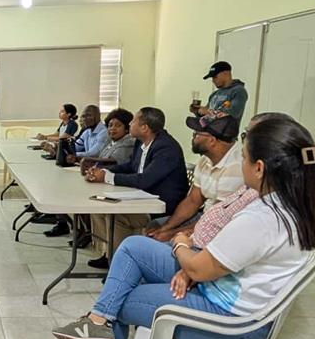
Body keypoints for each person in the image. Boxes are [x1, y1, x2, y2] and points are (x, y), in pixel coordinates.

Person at [52, 117, 315, 339]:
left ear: (259, 168)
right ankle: (97, 319)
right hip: (223, 292)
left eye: (243, 156)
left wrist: (182, 246)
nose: (239, 161)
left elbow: (202, 267)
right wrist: (191, 263)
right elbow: (217, 256)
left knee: (121, 298)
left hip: (229, 329)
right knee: (133, 247)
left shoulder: (261, 219)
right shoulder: (291, 205)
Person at [84, 107, 189, 269]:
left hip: (161, 205)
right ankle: (109, 255)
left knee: (118, 216)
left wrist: (106, 177)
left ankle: (120, 265)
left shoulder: (166, 148)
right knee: (98, 207)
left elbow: (144, 180)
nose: (130, 124)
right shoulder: (141, 142)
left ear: (144, 128)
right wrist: (103, 171)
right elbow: (131, 166)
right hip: (141, 196)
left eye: (133, 121)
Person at [145, 112, 244, 242]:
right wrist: (166, 228)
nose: (193, 138)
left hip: (222, 229)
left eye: (196, 134)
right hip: (205, 216)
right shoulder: (205, 160)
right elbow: (193, 200)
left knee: (154, 244)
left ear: (212, 140)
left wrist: (172, 234)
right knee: (154, 227)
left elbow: (217, 222)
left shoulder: (236, 168)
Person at [45, 109, 136, 238]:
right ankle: (79, 229)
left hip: (115, 185)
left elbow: (110, 161)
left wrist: (81, 160)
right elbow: (93, 154)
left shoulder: (127, 143)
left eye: (118, 125)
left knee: (77, 194)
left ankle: (84, 232)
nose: (112, 129)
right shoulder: (110, 141)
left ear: (126, 128)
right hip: (102, 181)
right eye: (110, 125)